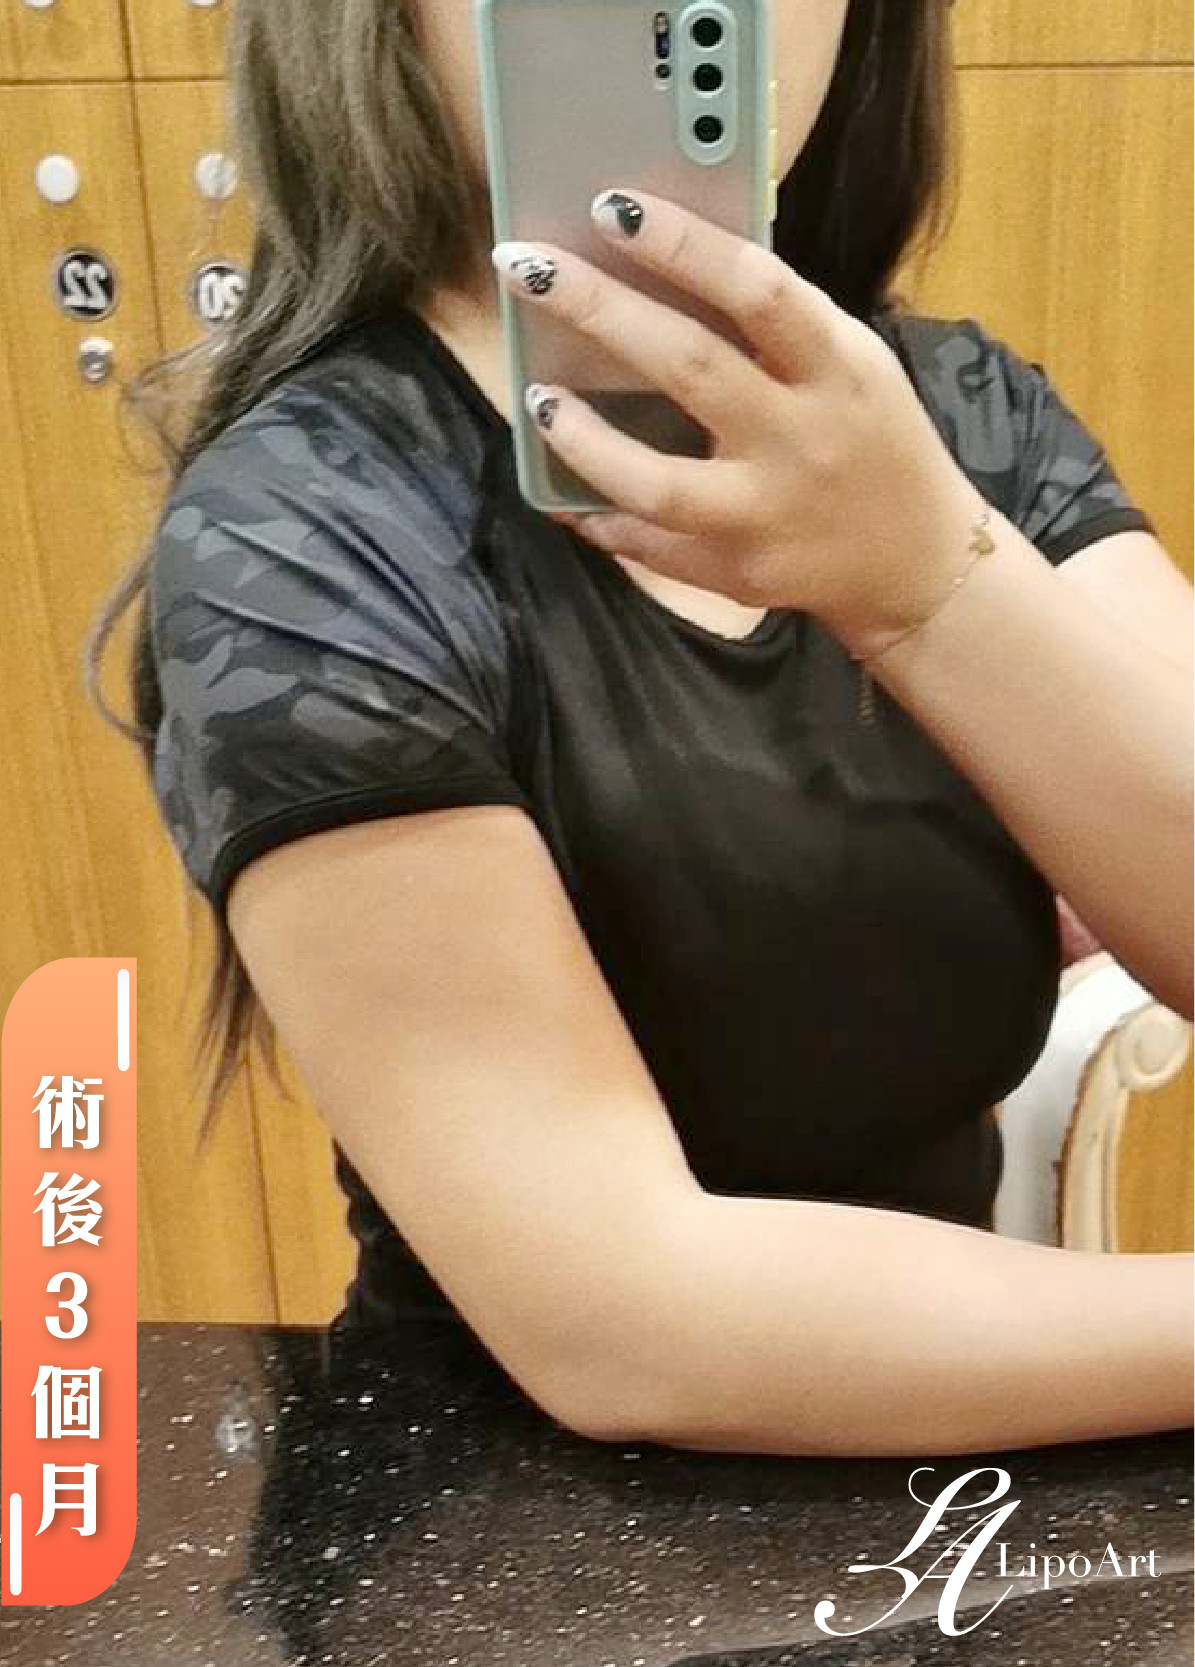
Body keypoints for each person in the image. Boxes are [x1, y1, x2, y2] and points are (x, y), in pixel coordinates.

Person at [86, 0, 1194, 1456]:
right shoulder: (302, 532)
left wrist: (937, 586)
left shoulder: (961, 421)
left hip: (967, 1481)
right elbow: (622, 1318)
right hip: (510, 1516)